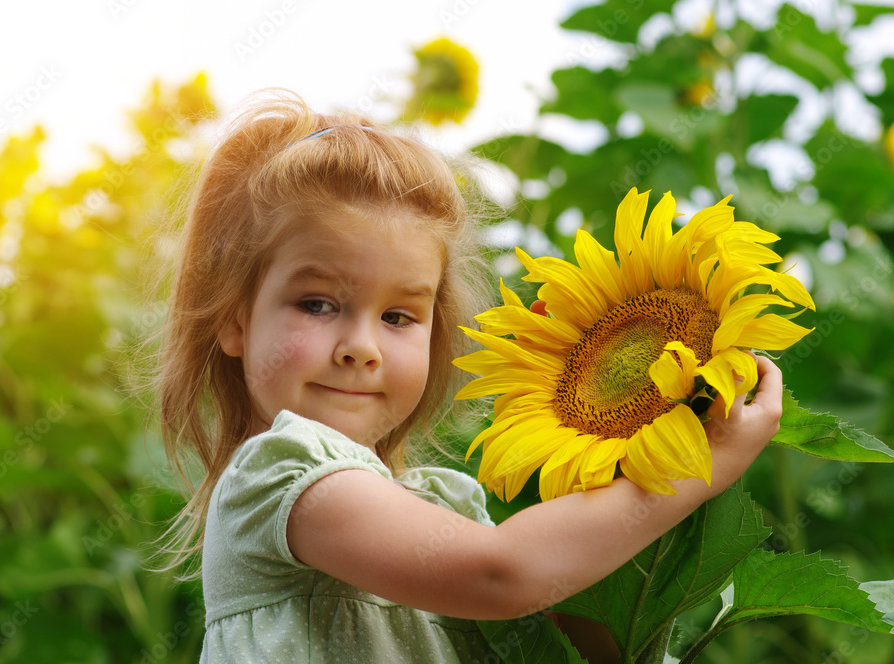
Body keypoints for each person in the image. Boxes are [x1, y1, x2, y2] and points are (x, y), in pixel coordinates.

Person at [152, 89, 784, 663]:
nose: (361, 347)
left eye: (399, 315)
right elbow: (504, 575)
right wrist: (693, 467)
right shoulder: (279, 475)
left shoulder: (449, 509)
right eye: (317, 304)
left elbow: (582, 646)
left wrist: (625, 444)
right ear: (234, 321)